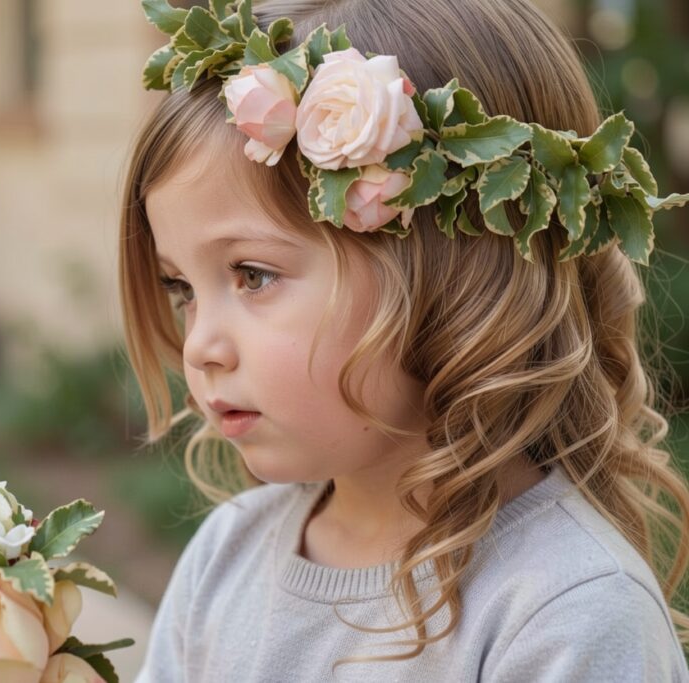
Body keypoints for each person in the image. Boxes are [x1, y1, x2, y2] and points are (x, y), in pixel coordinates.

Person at [120, 0, 689, 680]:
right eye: (182, 288)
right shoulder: (225, 556)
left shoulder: (567, 612)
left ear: (456, 275)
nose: (200, 347)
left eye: (253, 274)